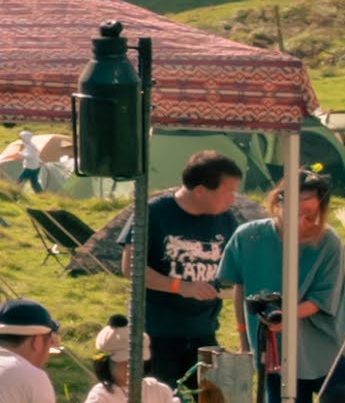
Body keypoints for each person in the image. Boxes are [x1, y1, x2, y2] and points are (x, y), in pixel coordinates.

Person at [225, 178, 345, 403]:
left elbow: (321, 300)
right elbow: (240, 287)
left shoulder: (328, 242)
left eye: (310, 215)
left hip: (330, 348)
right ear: (278, 202)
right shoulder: (248, 237)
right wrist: (244, 339)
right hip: (276, 353)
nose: (303, 222)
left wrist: (286, 316)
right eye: (296, 212)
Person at [104, 152, 253, 382]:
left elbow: (238, 271)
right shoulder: (153, 213)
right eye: (228, 191)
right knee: (161, 400)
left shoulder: (225, 219)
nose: (232, 199)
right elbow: (131, 268)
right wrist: (180, 286)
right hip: (156, 333)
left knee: (210, 400)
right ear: (200, 190)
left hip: (204, 331)